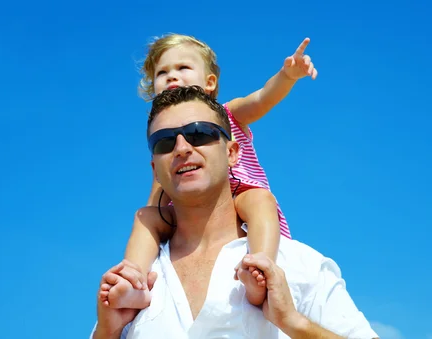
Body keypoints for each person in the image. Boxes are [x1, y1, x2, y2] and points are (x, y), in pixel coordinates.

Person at [91, 86, 379, 339]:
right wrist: (107, 333)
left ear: (232, 153)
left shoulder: (296, 264)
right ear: (155, 168)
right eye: (165, 142)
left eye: (199, 133)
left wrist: (294, 323)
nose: (181, 148)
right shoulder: (134, 285)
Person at [100, 33, 318, 309]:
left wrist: (287, 76)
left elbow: (263, 98)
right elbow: (158, 193)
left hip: (240, 193)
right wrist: (155, 223)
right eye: (162, 72)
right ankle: (133, 282)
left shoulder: (227, 114)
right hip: (189, 209)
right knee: (145, 216)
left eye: (182, 68)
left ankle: (260, 267)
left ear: (210, 82)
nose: (171, 76)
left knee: (262, 199)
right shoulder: (164, 137)